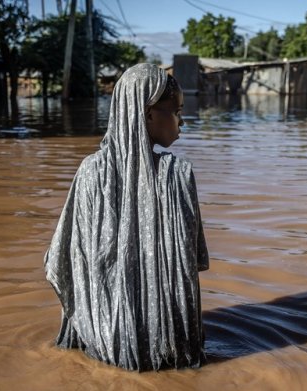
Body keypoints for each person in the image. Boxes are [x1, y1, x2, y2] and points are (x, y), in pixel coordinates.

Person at [44, 63, 209, 371]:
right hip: (171, 347)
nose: (182, 121)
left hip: (104, 341)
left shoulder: (90, 173)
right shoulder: (177, 174)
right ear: (147, 114)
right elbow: (194, 262)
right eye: (176, 111)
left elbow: (64, 260)